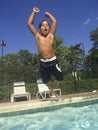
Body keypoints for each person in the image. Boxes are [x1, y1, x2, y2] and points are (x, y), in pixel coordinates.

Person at [27, 7, 63, 83]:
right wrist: (34, 12)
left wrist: (49, 15)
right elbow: (29, 24)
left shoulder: (51, 35)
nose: (45, 26)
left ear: (50, 29)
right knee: (46, 80)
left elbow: (54, 22)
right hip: (43, 62)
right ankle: (51, 92)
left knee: (60, 78)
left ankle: (57, 84)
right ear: (39, 29)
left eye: (47, 25)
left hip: (53, 61)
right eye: (43, 25)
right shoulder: (38, 36)